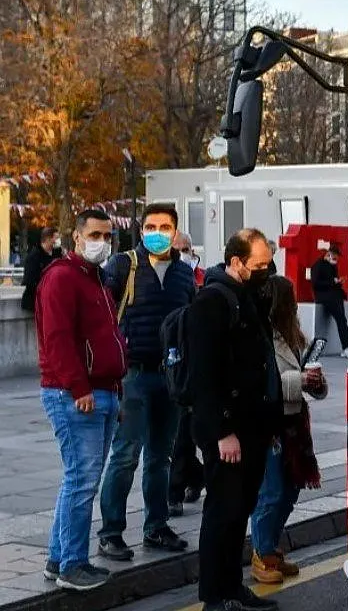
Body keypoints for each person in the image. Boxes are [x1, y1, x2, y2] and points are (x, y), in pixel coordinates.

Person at [187, 228, 282, 611]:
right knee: (222, 512)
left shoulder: (249, 296)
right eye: (260, 265)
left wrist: (270, 423)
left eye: (269, 264)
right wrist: (223, 431)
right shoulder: (211, 301)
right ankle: (214, 595)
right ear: (236, 262)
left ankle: (232, 587)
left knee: (240, 510)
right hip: (227, 431)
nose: (266, 272)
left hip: (253, 426)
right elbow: (204, 376)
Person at [35, 209, 126, 591]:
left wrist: (114, 391)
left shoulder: (96, 279)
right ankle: (72, 565)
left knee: (80, 480)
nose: (101, 242)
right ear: (76, 237)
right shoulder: (62, 277)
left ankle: (59, 559)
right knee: (82, 481)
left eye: (107, 236)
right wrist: (79, 389)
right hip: (75, 393)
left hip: (102, 390)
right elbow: (57, 340)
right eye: (94, 235)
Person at [97, 203, 195, 560]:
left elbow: (189, 323)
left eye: (164, 227)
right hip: (133, 375)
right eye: (150, 227)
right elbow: (101, 313)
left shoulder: (184, 274)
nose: (157, 233)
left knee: (161, 457)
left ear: (175, 231)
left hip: (170, 376)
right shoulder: (123, 265)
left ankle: (156, 527)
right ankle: (110, 532)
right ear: (141, 231)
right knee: (125, 455)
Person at [250, 276, 328, 584]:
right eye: (291, 299)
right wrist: (300, 381)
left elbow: (304, 377)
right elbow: (261, 383)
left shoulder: (294, 335)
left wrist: (316, 383)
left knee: (292, 488)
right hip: (271, 422)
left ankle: (270, 546)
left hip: (295, 422)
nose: (295, 305)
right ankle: (261, 553)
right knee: (271, 491)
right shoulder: (260, 336)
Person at [168, 231, 205, 512]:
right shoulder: (165, 279)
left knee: (183, 435)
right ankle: (195, 476)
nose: (183, 253)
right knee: (175, 437)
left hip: (191, 366)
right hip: (169, 362)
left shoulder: (202, 279)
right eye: (177, 248)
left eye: (186, 248)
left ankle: (174, 493)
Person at [309, 244, 348, 358]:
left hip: (334, 297)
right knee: (341, 321)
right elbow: (315, 283)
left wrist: (338, 282)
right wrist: (333, 282)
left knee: (342, 321)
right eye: (335, 256)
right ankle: (346, 347)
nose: (336, 259)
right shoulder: (318, 265)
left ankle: (346, 347)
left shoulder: (332, 266)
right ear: (329, 254)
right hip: (327, 297)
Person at [21, 226, 62, 312]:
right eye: (56, 238)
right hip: (36, 302)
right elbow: (29, 281)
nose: (58, 241)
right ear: (48, 239)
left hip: (53, 300)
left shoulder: (58, 254)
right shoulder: (34, 256)